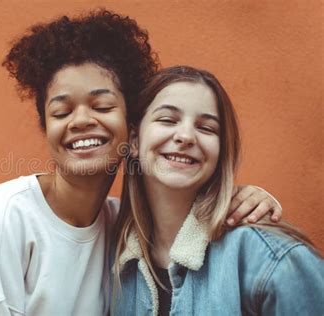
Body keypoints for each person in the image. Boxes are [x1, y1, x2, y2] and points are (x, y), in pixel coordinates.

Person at [0, 11, 282, 315]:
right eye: (61, 111)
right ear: (47, 127)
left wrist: (244, 197)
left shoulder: (122, 229)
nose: (81, 120)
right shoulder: (9, 215)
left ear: (132, 131)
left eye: (102, 106)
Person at [111, 65, 324, 315]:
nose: (186, 136)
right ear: (134, 141)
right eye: (168, 120)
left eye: (206, 128)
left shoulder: (269, 257)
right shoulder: (114, 254)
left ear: (220, 151)